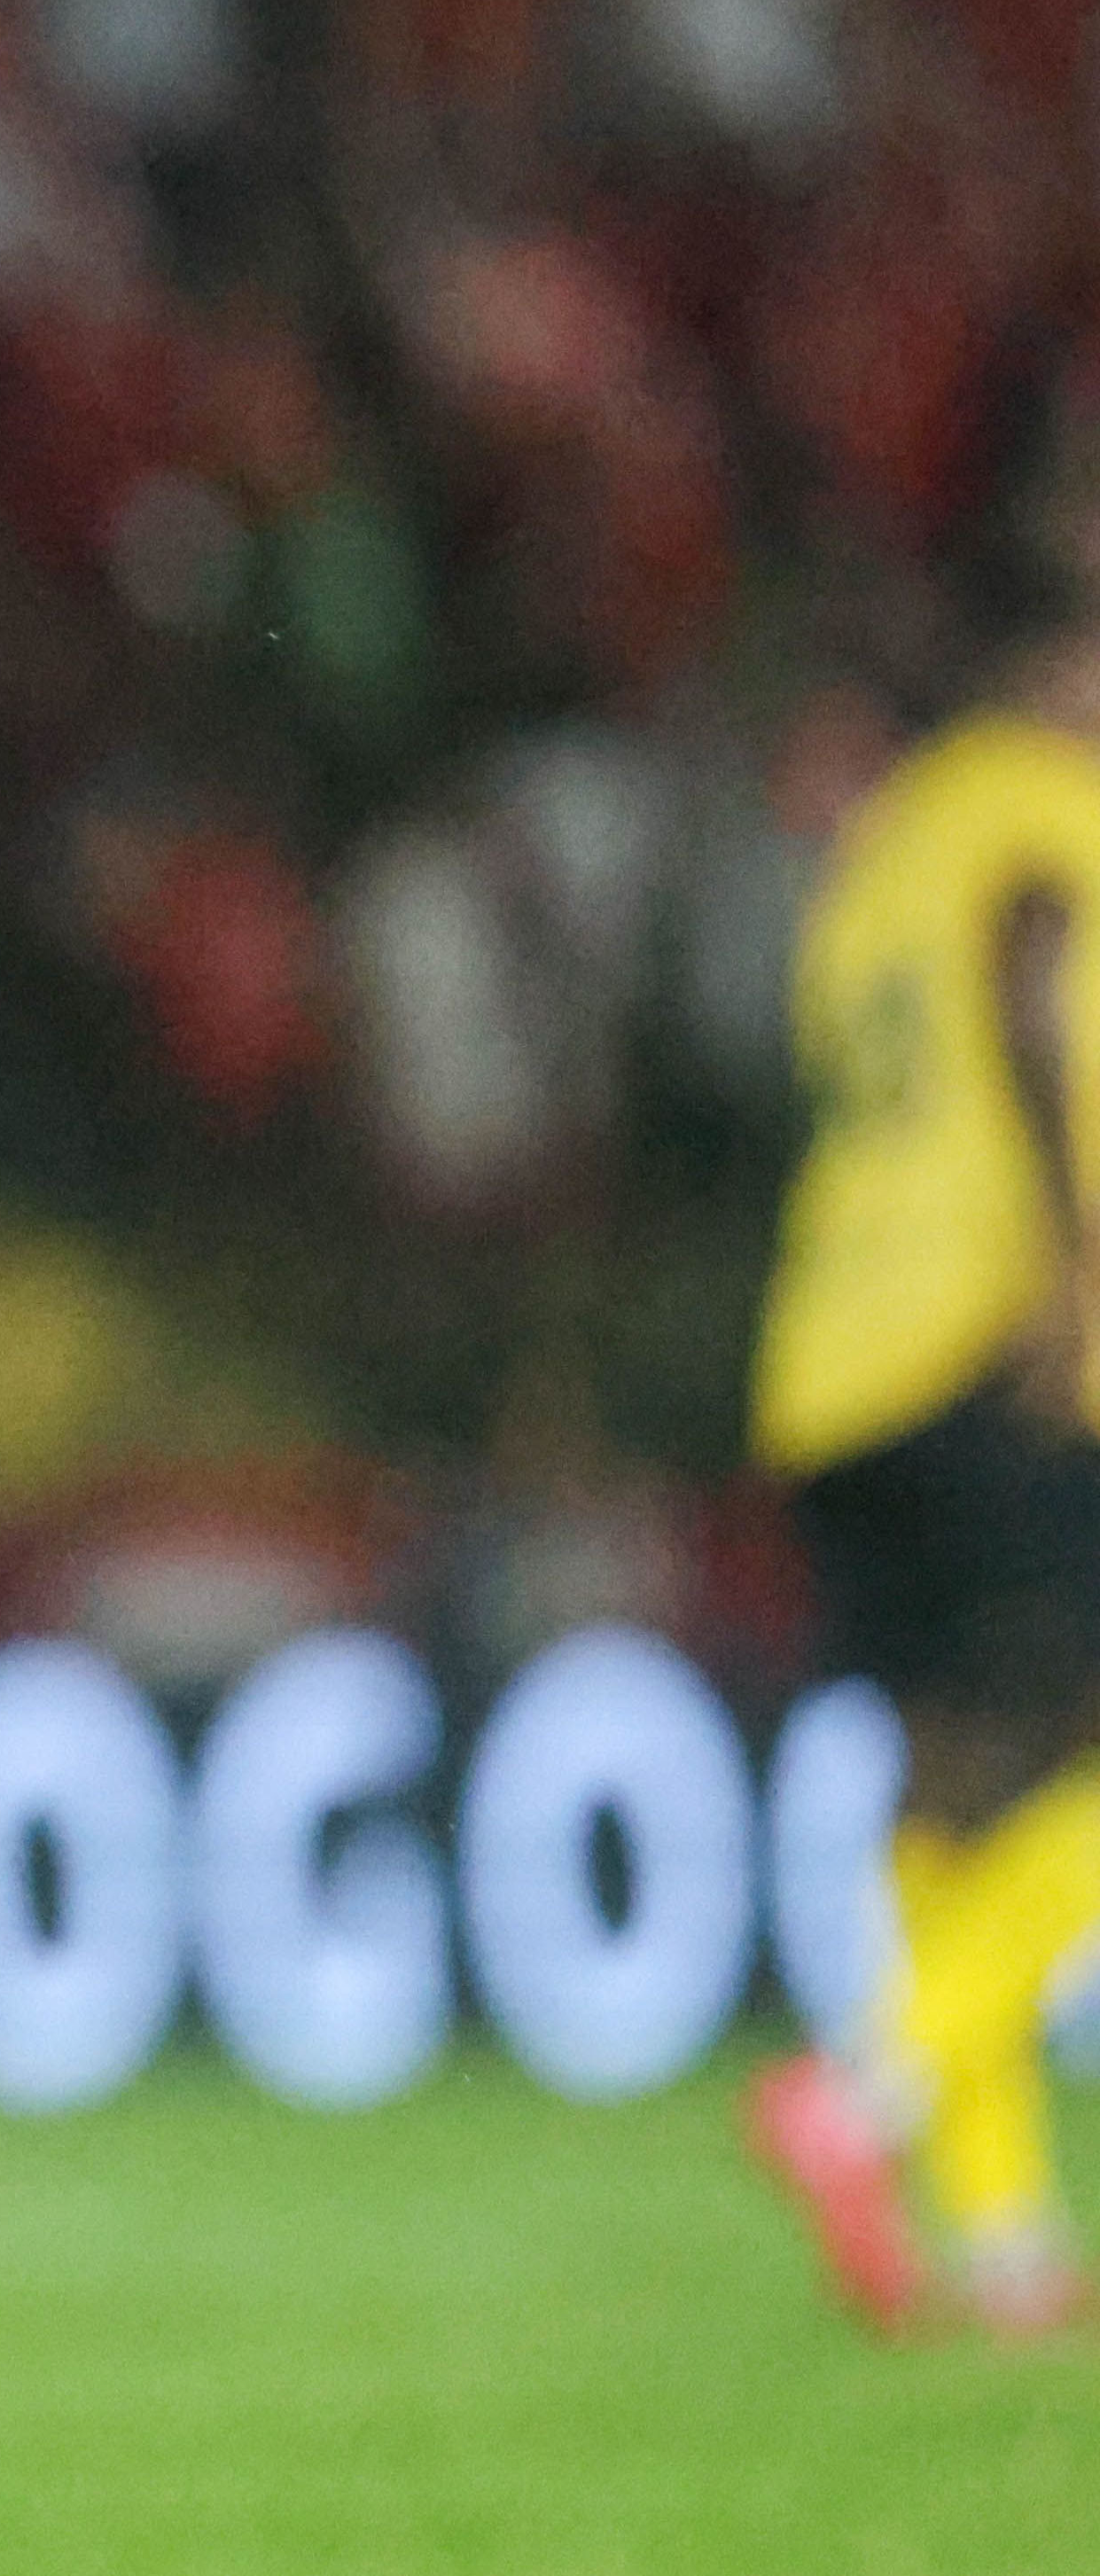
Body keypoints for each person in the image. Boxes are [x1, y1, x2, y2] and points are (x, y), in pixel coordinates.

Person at [745, 557, 1100, 2347]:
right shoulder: (1048, 811)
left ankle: (1014, 2242)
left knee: (958, 1787)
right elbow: (1046, 993)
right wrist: (1083, 1252)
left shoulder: (872, 866)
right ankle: (865, 2094)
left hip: (830, 1368)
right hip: (985, 1345)